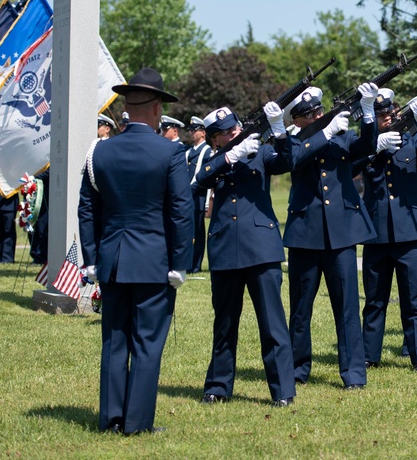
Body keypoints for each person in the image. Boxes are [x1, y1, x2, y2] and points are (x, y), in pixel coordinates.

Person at [78, 67, 194, 436]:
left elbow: (87, 208)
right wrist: (180, 263)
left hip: (112, 260)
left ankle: (111, 418)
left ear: (127, 107)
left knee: (115, 341)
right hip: (154, 263)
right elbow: (180, 210)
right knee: (147, 343)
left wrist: (92, 257)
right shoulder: (171, 151)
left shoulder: (100, 150)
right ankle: (137, 422)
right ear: (158, 108)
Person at [196, 103, 296, 407]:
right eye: (227, 131)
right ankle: (218, 386)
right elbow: (199, 180)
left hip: (261, 247)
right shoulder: (213, 158)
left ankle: (282, 391)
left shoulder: (261, 152)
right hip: (225, 247)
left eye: (236, 126)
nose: (235, 132)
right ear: (216, 139)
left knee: (272, 323)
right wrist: (229, 157)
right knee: (225, 322)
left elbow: (288, 161)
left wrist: (279, 129)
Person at [283, 83, 378, 390]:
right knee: (300, 308)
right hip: (305, 233)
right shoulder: (293, 141)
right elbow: (294, 160)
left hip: (341, 233)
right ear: (297, 120)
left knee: (347, 307)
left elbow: (366, 147)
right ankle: (297, 368)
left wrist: (367, 111)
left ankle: (353, 374)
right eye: (311, 114)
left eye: (320, 111)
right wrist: (324, 134)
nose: (319, 116)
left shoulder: (343, 136)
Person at [359, 89, 417, 374]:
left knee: (414, 299)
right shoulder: (365, 144)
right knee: (374, 300)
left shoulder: (411, 140)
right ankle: (369, 355)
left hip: (412, 233)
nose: (388, 119)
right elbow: (351, 167)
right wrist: (374, 147)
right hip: (377, 233)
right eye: (382, 116)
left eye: (391, 114)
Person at [184, 116, 211, 273]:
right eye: (191, 130)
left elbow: (201, 176)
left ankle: (195, 264)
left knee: (197, 232)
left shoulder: (206, 151)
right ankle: (188, 262)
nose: (191, 133)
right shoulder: (189, 152)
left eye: (194, 130)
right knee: (187, 230)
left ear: (202, 133)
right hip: (188, 196)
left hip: (198, 197)